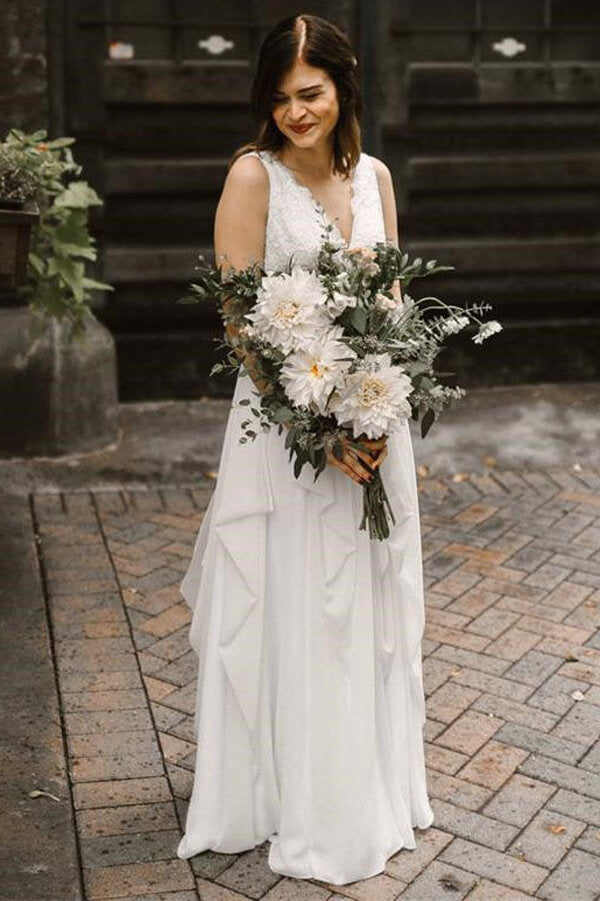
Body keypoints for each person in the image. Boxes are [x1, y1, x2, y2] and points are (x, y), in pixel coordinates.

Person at [176, 12, 434, 886]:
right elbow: (241, 323)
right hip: (285, 434)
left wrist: (377, 401)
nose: (297, 112)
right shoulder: (255, 178)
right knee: (298, 601)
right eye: (282, 97)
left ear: (342, 86)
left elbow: (393, 296)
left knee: (361, 603)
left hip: (369, 423)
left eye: (311, 93)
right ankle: (292, 794)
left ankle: (363, 788)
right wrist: (316, 430)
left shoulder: (377, 179)